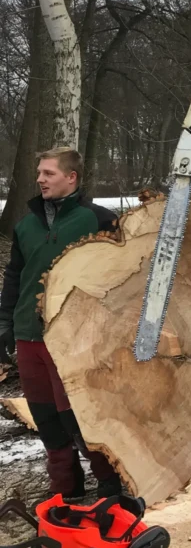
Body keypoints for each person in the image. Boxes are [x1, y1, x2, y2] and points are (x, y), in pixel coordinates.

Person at [0, 147, 122, 500]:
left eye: (48, 173)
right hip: (29, 335)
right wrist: (6, 322)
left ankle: (110, 489)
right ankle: (66, 492)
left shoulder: (99, 220)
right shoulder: (26, 224)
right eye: (39, 173)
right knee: (47, 420)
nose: (40, 179)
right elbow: (14, 276)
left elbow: (119, 276)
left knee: (81, 419)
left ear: (72, 177)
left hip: (75, 338)